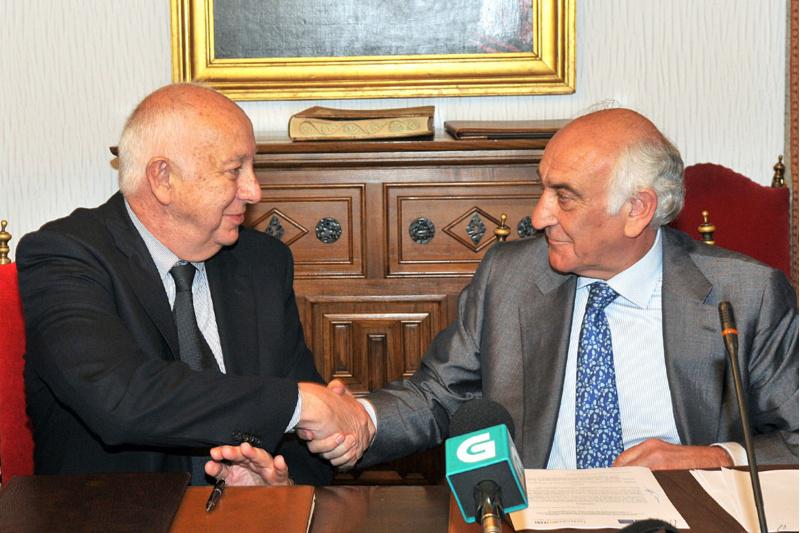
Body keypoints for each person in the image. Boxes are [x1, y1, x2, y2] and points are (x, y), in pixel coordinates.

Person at [228, 107, 796, 477]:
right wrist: (361, 421)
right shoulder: (512, 277)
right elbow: (438, 395)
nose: (539, 215)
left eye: (564, 197)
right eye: (542, 189)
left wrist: (712, 458)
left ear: (638, 209)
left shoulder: (745, 296)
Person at [17, 83, 373, 486]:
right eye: (234, 170)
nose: (254, 190)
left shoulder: (262, 262)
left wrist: (278, 482)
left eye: (252, 168)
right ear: (163, 178)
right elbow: (120, 398)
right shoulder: (66, 255)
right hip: (113, 511)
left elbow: (308, 449)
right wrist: (300, 403)